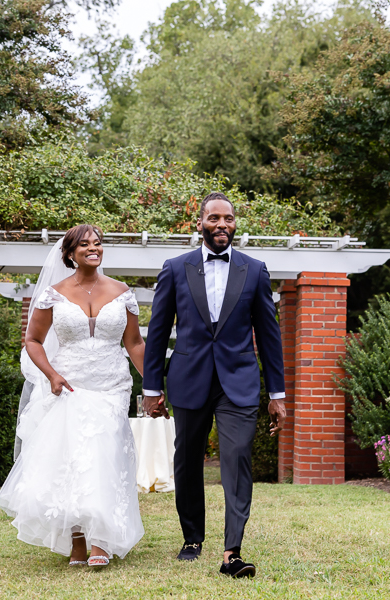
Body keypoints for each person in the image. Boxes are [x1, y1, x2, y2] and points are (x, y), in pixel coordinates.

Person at [142, 192, 287, 579]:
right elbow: (157, 333)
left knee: (237, 457)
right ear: (200, 222)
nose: (222, 224)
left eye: (229, 219)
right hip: (188, 379)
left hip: (238, 380)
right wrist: (151, 388)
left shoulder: (254, 270)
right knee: (187, 458)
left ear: (235, 223)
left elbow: (269, 336)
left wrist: (277, 394)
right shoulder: (175, 268)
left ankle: (232, 551)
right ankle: (192, 538)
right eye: (214, 218)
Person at [0, 224, 145, 567]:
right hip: (69, 385)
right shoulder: (54, 293)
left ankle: (102, 542)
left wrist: (153, 385)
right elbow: (32, 340)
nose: (93, 248)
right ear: (69, 253)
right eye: (85, 245)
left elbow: (135, 344)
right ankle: (78, 543)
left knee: (105, 456)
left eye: (98, 243)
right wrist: (51, 374)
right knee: (74, 460)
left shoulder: (122, 292)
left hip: (112, 386)